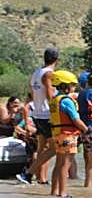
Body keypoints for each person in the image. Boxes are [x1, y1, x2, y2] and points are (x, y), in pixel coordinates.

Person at [21, 47, 59, 185]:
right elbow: (50, 96)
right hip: (47, 114)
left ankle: (41, 179)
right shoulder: (49, 73)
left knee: (41, 148)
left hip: (37, 114)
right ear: (57, 60)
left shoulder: (36, 73)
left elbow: (31, 94)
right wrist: (58, 111)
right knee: (55, 149)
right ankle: (28, 174)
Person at [48, 70, 85, 198]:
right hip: (68, 134)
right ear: (65, 85)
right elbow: (75, 119)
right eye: (73, 85)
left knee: (58, 163)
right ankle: (63, 192)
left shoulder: (54, 99)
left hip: (57, 134)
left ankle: (54, 191)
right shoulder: (67, 101)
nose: (74, 87)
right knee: (66, 164)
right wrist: (86, 129)